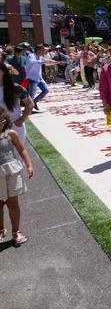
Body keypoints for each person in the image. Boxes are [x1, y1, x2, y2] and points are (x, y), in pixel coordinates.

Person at [0, 107, 35, 245]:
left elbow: (21, 149)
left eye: (1, 120)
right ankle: (1, 230)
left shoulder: (11, 133)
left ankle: (16, 232)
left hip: (12, 173)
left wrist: (29, 165)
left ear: (6, 120)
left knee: (13, 204)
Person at [0, 64, 34, 145]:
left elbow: (30, 104)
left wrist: (20, 120)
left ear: (3, 72)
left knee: (18, 154)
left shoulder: (16, 88)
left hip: (15, 126)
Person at [26, 44, 59, 110]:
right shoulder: (31, 55)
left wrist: (55, 62)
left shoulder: (40, 57)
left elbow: (46, 62)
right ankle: (28, 109)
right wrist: (44, 61)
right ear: (38, 50)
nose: (44, 52)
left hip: (39, 78)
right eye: (43, 50)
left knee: (46, 90)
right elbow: (32, 61)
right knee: (31, 95)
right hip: (32, 78)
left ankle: (35, 101)